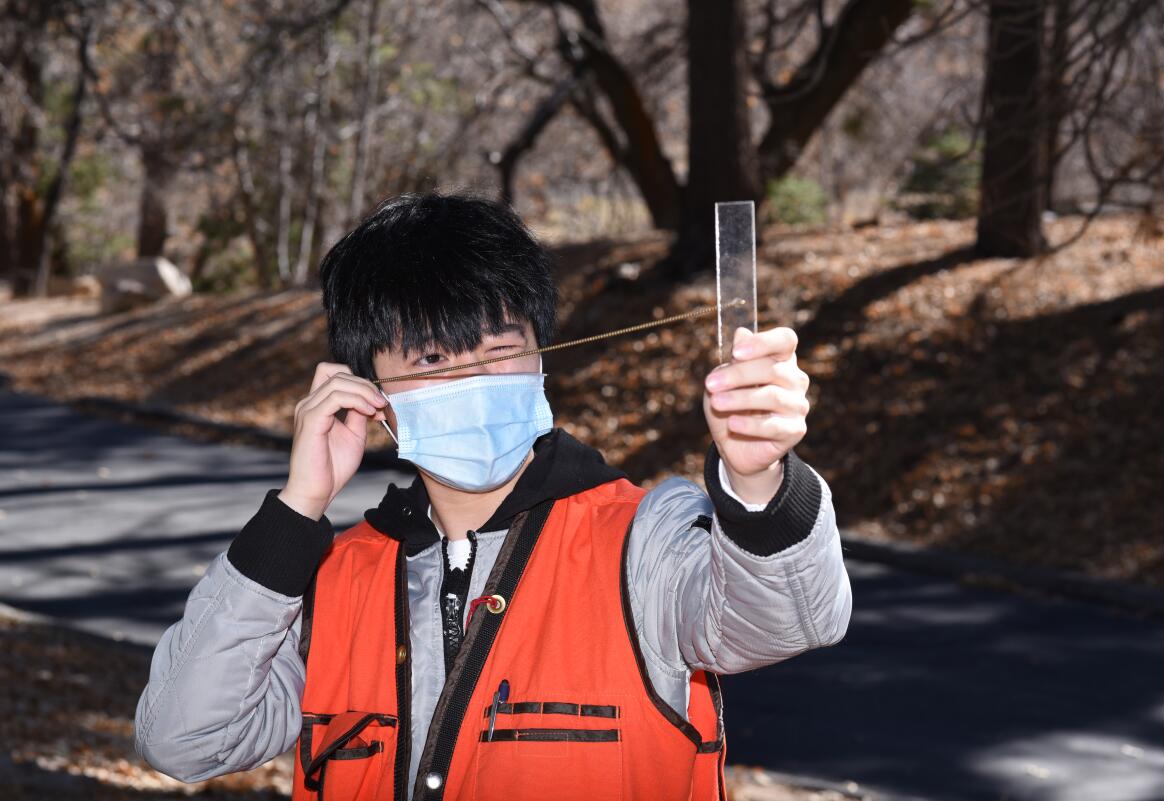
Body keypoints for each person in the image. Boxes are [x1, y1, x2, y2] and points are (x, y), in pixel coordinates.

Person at [133, 191, 852, 801]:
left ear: (542, 353)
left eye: (503, 345)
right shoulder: (334, 583)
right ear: (368, 391)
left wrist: (758, 478)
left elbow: (788, 618)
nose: (475, 377)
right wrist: (297, 509)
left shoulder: (645, 538)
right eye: (434, 357)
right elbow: (182, 738)